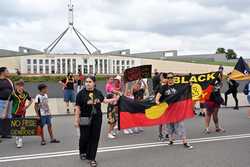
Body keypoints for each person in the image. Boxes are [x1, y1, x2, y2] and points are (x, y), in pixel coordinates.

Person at [75, 76, 117, 167]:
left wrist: (113, 100)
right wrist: (76, 120)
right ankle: (82, 151)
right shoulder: (80, 94)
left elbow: (103, 100)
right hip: (84, 117)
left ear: (94, 83)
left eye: (90, 81)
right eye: (86, 81)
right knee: (84, 137)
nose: (87, 83)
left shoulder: (98, 92)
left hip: (97, 118)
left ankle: (92, 158)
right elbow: (77, 107)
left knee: (94, 138)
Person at [155, 72, 193, 149]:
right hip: (168, 110)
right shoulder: (163, 87)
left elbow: (187, 87)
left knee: (181, 125)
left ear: (173, 78)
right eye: (168, 78)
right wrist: (157, 101)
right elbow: (158, 96)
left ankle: (185, 142)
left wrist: (190, 84)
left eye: (171, 77)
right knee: (169, 126)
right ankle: (171, 140)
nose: (170, 79)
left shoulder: (178, 86)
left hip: (177, 110)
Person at [10, 80, 33, 148]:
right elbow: (9, 102)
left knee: (21, 126)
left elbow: (31, 100)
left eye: (21, 86)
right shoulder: (13, 93)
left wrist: (27, 106)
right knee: (16, 126)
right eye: (18, 86)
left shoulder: (26, 93)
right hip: (14, 112)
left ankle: (20, 140)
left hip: (22, 112)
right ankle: (17, 137)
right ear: (16, 87)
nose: (20, 87)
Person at [0, 67, 14, 140]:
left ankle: (7, 133)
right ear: (2, 72)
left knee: (8, 117)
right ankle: (2, 133)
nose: (8, 72)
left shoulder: (9, 80)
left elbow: (13, 90)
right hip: (2, 101)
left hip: (10, 101)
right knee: (2, 117)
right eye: (7, 71)